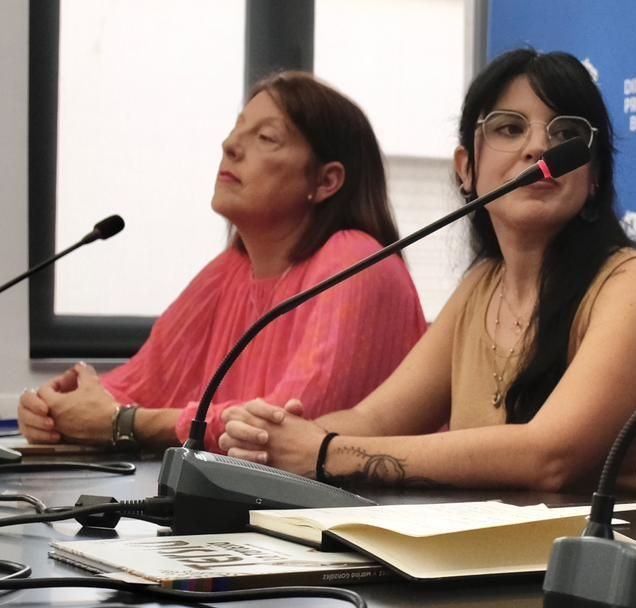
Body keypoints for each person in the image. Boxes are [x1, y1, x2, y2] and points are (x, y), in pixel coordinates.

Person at [218, 48, 636, 489]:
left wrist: (324, 453)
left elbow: (551, 456)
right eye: (509, 129)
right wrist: (275, 440)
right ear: (466, 168)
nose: (538, 148)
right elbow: (375, 420)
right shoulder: (482, 287)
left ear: (594, 178)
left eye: (566, 135)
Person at [18, 72, 425, 452]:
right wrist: (57, 407)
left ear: (326, 181)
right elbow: (136, 386)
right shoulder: (230, 271)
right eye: (237, 128)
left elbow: (278, 429)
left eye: (266, 137)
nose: (230, 145)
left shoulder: (356, 261)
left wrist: (122, 422)